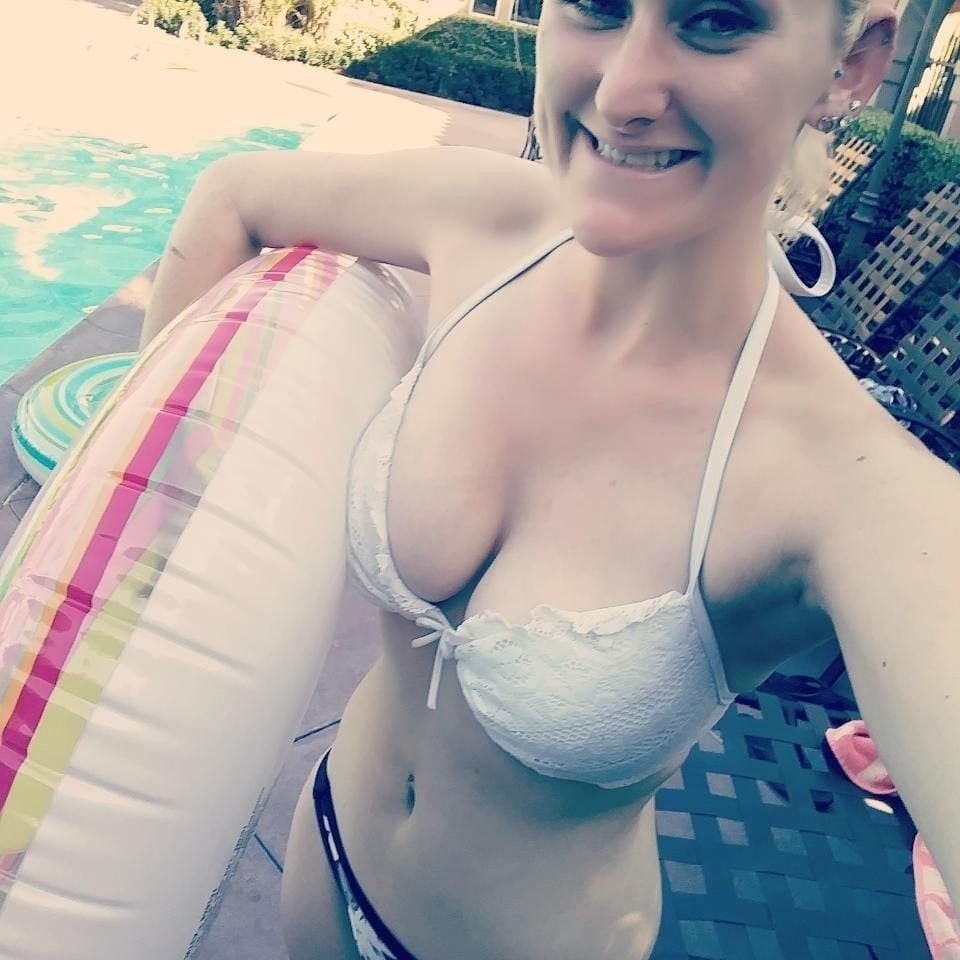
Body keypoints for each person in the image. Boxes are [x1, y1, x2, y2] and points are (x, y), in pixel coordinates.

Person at [139, 2, 960, 958]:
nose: (623, 91)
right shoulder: (486, 221)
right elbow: (231, 196)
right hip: (326, 847)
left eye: (716, 20)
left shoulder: (853, 489)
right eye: (599, 7)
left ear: (851, 65)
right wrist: (148, 544)